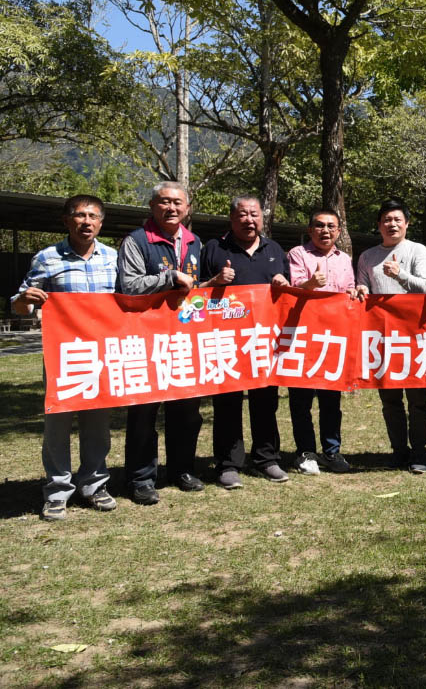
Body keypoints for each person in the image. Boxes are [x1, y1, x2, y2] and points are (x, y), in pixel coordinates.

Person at [12, 195, 119, 520]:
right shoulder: (47, 258)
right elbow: (22, 304)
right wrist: (23, 299)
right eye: (79, 215)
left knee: (98, 426)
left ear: (101, 223)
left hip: (103, 355)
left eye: (93, 216)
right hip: (64, 356)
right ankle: (57, 491)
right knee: (57, 426)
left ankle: (94, 485)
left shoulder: (114, 258)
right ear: (66, 220)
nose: (86, 221)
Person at [117, 181, 215, 504]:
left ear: (187, 209)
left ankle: (181, 469)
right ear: (151, 205)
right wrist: (169, 278)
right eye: (164, 202)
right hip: (145, 340)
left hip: (184, 339)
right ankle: (142, 478)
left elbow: (195, 287)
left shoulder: (194, 242)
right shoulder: (136, 241)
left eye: (178, 203)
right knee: (144, 412)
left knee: (187, 410)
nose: (171, 208)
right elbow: (128, 286)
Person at [201, 195, 291, 489]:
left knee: (265, 403)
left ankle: (267, 459)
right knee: (227, 403)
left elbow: (288, 293)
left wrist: (282, 282)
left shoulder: (275, 249)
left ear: (262, 220)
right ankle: (228, 464)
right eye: (243, 214)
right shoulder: (214, 248)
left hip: (263, 340)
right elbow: (195, 294)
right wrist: (214, 281)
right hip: (225, 338)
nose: (249, 220)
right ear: (232, 218)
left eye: (255, 214)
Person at [356, 199, 426, 473]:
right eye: (387, 220)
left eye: (397, 219)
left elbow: (425, 287)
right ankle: (399, 450)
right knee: (390, 399)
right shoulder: (367, 257)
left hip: (413, 336)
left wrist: (400, 274)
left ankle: (420, 452)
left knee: (417, 399)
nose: (392, 224)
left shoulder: (418, 250)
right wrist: (361, 291)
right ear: (379, 225)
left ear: (407, 223)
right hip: (382, 336)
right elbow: (362, 287)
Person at [286, 207, 359, 475]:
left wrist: (355, 292)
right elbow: (293, 288)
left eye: (331, 226)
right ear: (310, 230)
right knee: (301, 400)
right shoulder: (298, 254)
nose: (325, 231)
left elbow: (348, 291)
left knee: (331, 400)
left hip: (332, 337)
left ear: (339, 231)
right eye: (319, 225)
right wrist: (310, 284)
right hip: (302, 338)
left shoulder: (344, 259)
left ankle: (332, 451)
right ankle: (306, 452)